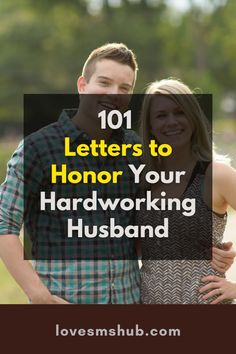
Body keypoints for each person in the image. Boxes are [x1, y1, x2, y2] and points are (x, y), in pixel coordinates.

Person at [0, 46, 234, 304]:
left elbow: (141, 231)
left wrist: (203, 251)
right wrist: (39, 295)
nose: (114, 94)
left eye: (124, 88)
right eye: (104, 83)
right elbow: (4, 225)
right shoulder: (38, 149)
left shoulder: (137, 155)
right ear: (82, 85)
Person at [137, 78, 236, 304]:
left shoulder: (216, 175)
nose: (171, 122)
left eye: (179, 112)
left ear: (193, 118)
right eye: (161, 116)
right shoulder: (143, 182)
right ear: (150, 126)